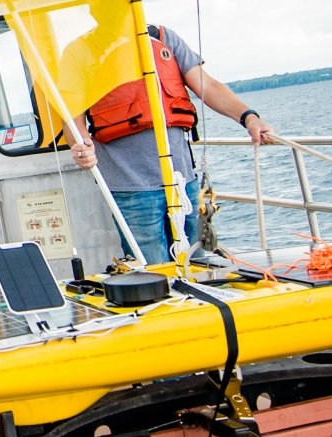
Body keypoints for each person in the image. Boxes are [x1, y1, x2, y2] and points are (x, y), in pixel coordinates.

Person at [73, 19, 278, 264]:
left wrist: (250, 119)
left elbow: (208, 85)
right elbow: (72, 112)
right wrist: (81, 145)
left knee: (198, 264)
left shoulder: (162, 38)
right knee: (153, 274)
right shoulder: (81, 52)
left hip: (183, 182)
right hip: (128, 187)